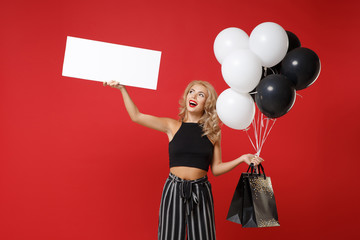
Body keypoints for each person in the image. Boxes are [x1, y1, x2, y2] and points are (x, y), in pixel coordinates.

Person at [103, 80, 263, 240]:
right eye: (191, 92)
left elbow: (216, 169)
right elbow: (136, 116)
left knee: (203, 236)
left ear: (207, 103)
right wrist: (122, 89)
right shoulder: (172, 126)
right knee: (169, 236)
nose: (194, 96)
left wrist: (241, 158)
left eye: (201, 95)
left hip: (200, 190)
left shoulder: (213, 133)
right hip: (173, 188)